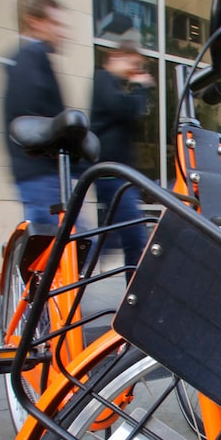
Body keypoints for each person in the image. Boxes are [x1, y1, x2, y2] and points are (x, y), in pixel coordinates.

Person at [89, 40, 153, 275]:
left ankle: (76, 272)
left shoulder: (114, 85)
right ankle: (136, 303)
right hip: (111, 175)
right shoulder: (103, 79)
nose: (134, 71)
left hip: (119, 175)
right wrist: (141, 87)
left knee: (115, 239)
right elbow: (127, 111)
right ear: (117, 57)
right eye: (133, 64)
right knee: (134, 238)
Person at [3, 0, 68, 226]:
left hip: (44, 172)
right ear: (35, 22)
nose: (61, 32)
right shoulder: (29, 61)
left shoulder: (35, 60)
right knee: (65, 244)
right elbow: (31, 119)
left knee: (60, 246)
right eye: (55, 24)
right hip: (40, 172)